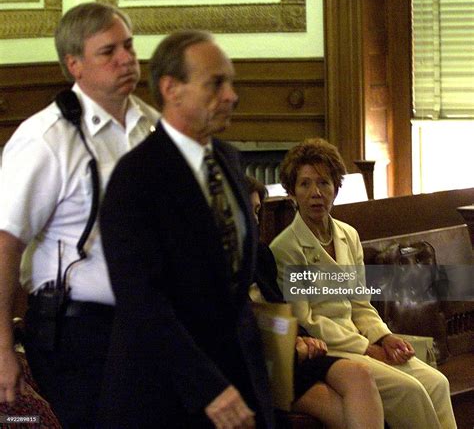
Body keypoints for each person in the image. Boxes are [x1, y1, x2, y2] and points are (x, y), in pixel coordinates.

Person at [98, 30, 274, 428]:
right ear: (171, 89)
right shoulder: (136, 177)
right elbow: (141, 300)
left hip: (237, 382)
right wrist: (206, 385)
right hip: (166, 395)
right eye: (216, 83)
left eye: (231, 82)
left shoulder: (228, 159)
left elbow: (233, 285)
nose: (231, 95)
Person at [0, 2, 159, 428]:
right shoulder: (45, 139)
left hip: (150, 325)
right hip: (78, 334)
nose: (126, 58)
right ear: (75, 64)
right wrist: (0, 350)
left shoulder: (153, 128)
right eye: (108, 52)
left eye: (128, 45)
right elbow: (4, 247)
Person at [269, 138, 457, 429]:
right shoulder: (286, 247)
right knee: (411, 391)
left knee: (437, 382)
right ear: (292, 192)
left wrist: (384, 337)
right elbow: (307, 320)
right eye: (305, 184)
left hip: (364, 339)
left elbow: (360, 303)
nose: (315, 193)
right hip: (333, 351)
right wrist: (367, 348)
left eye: (323, 183)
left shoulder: (348, 235)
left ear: (335, 188)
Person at [246, 176, 384, 429]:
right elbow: (240, 328)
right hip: (261, 365)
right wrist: (289, 346)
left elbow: (280, 311)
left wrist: (301, 337)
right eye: (248, 211)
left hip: (293, 353)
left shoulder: (259, 254)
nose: (255, 220)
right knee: (353, 415)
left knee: (359, 375)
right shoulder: (213, 268)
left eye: (257, 211)